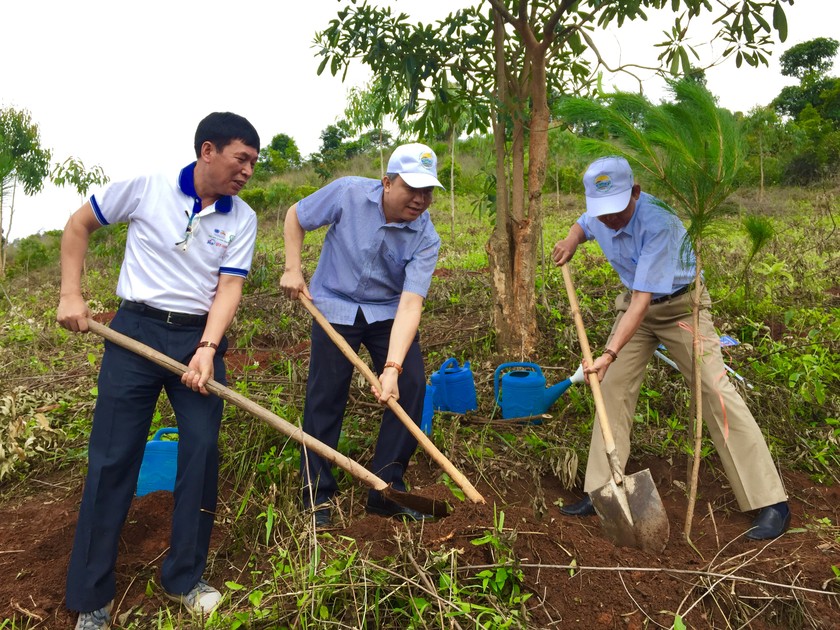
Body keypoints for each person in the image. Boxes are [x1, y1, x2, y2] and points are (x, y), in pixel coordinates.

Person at [57, 112, 260, 629]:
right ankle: (91, 597)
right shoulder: (147, 188)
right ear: (208, 150)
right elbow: (79, 224)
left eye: (254, 164)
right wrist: (71, 293)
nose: (248, 172)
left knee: (202, 450)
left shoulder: (242, 218)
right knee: (112, 458)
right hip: (134, 334)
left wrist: (209, 347)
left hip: (197, 339)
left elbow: (229, 287)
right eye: (242, 159)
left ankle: (185, 577)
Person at [551, 156, 790, 541]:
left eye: (616, 210)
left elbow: (645, 298)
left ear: (636, 192)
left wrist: (608, 353)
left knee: (715, 390)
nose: (609, 219)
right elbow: (583, 224)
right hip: (636, 308)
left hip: (682, 307)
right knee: (609, 389)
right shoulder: (600, 211)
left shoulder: (658, 223)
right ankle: (602, 492)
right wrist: (571, 241)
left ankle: (769, 501)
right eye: (602, 212)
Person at [280, 143, 443, 527]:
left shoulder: (426, 237)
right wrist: (292, 267)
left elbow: (409, 304)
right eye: (411, 188)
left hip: (388, 311)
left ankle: (386, 489)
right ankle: (317, 494)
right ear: (386, 183)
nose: (420, 200)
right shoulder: (349, 192)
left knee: (412, 385)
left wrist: (392, 367)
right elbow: (295, 216)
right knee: (326, 395)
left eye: (428, 191)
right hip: (334, 303)